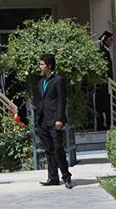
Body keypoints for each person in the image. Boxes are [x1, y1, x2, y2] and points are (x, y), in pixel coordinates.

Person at [36, 53, 73, 189]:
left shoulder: (59, 80)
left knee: (58, 149)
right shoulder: (41, 82)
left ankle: (66, 176)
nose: (40, 67)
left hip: (55, 120)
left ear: (49, 65)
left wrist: (60, 119)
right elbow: (43, 100)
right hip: (43, 121)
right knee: (49, 150)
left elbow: (62, 101)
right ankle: (53, 177)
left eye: (42, 64)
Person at [94, 31, 115, 130]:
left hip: (106, 83)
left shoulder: (106, 51)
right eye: (110, 39)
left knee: (107, 104)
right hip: (103, 83)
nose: (111, 42)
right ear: (105, 41)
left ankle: (107, 123)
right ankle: (104, 124)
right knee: (104, 104)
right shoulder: (102, 52)